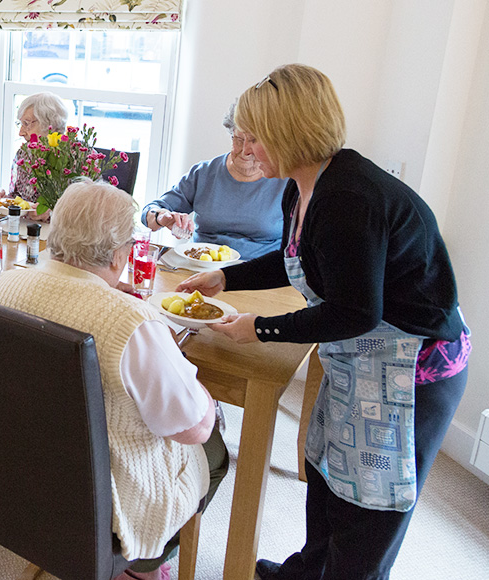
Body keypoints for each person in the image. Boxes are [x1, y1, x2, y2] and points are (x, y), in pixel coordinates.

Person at [177, 64, 470, 580]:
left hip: (411, 369)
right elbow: (297, 257)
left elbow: (355, 312)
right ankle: (308, 570)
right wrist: (224, 279)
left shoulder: (350, 198)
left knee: (370, 507)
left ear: (287, 132)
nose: (245, 151)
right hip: (360, 355)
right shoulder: (301, 186)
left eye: (254, 138)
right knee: (326, 471)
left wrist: (260, 329)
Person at [0, 181, 229, 580]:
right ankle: (141, 567)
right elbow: (192, 429)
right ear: (118, 255)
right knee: (214, 445)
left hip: (15, 475)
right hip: (103, 502)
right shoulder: (132, 323)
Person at [141, 102, 287, 260]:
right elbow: (149, 212)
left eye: (254, 142)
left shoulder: (285, 180)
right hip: (202, 272)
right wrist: (161, 216)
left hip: (259, 276)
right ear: (231, 135)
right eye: (239, 139)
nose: (245, 150)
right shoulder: (204, 173)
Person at [0, 92, 69, 222]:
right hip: (24, 230)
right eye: (20, 124)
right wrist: (2, 198)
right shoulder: (24, 154)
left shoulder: (76, 157)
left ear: (50, 124)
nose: (21, 132)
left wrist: (53, 213)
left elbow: (92, 211)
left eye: (26, 124)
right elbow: (19, 198)